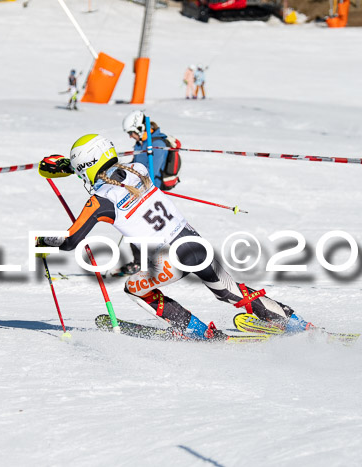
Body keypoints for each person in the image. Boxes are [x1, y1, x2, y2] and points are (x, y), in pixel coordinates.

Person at [36, 135, 313, 340]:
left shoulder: (99, 202)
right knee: (229, 291)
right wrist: (72, 166)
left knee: (135, 288)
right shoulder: (139, 170)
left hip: (169, 261)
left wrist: (42, 242)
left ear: (88, 166)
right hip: (192, 241)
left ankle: (195, 332)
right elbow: (112, 175)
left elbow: (71, 241)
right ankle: (294, 323)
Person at [120, 110, 172, 275]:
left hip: (151, 193)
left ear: (141, 128)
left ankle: (150, 263)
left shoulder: (157, 144)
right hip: (139, 192)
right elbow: (136, 164)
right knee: (134, 228)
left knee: (142, 229)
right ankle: (140, 263)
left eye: (131, 133)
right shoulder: (141, 144)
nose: (130, 137)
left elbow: (150, 171)